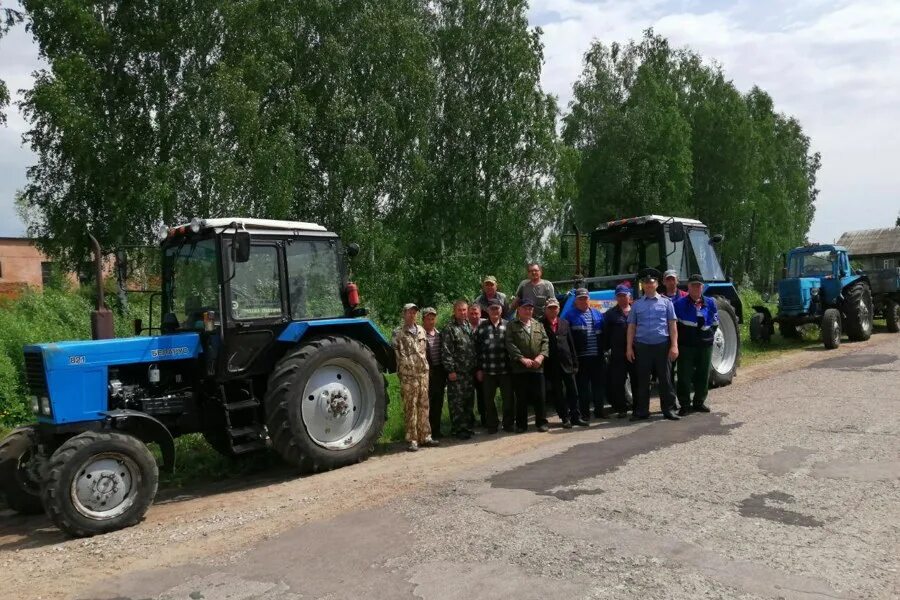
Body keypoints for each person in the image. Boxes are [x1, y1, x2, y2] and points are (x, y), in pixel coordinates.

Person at [626, 269, 679, 421]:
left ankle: (668, 410)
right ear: (642, 286)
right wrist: (629, 347)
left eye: (652, 283)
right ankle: (642, 411)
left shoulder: (666, 303)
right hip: (642, 346)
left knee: (666, 379)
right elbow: (631, 327)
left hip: (662, 346)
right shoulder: (636, 305)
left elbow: (672, 325)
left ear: (657, 284)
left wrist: (674, 345)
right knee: (642, 380)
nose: (649, 285)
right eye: (646, 283)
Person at [392, 303, 438, 451]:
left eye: (414, 312)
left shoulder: (422, 331)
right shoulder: (398, 333)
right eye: (409, 312)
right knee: (410, 407)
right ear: (404, 314)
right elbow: (396, 355)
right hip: (408, 376)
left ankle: (425, 436)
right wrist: (402, 372)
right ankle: (412, 439)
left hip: (422, 374)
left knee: (424, 405)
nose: (412, 315)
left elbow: (425, 352)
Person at [673, 275, 719, 415]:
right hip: (686, 346)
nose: (696, 288)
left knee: (703, 374)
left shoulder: (710, 303)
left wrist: (706, 336)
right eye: (693, 285)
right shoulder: (679, 304)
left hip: (705, 345)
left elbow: (715, 324)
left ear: (702, 287)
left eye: (699, 285)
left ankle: (699, 402)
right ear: (688, 287)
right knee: (684, 375)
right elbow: (675, 326)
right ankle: (685, 404)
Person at [505, 298, 550, 433]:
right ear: (519, 309)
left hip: (537, 366)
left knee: (540, 396)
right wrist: (521, 358)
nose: (528, 310)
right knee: (521, 397)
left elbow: (545, 341)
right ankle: (521, 425)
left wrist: (541, 356)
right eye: (525, 308)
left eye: (530, 308)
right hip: (520, 368)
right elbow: (509, 343)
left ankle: (541, 422)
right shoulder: (512, 325)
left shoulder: (538, 325)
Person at [563, 287, 606, 421]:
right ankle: (585, 413)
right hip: (581, 358)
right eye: (580, 299)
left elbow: (604, 333)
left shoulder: (597, 313)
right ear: (576, 301)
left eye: (585, 298)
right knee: (583, 387)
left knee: (598, 385)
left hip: (597, 356)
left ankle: (599, 411)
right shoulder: (569, 315)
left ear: (589, 299)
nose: (583, 301)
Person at [540, 297, 581, 428]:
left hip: (567, 363)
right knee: (558, 393)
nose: (553, 310)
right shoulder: (540, 324)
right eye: (550, 308)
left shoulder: (565, 323)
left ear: (558, 309)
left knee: (573, 391)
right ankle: (564, 418)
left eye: (555, 308)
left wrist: (575, 362)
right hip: (552, 366)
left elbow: (571, 344)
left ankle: (576, 416)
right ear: (546, 310)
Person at [474, 298, 512, 433]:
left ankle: (508, 424)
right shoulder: (481, 328)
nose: (494, 311)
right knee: (488, 400)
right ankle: (492, 424)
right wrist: (478, 369)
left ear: (501, 310)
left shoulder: (508, 325)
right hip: (488, 370)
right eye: (492, 309)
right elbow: (476, 350)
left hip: (505, 369)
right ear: (488, 311)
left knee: (508, 399)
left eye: (497, 308)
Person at [442, 299, 477, 439]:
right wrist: (450, 370)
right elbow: (446, 351)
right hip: (456, 372)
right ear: (454, 311)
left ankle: (467, 427)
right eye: (459, 310)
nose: (462, 313)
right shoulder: (449, 328)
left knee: (468, 400)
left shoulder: (467, 325)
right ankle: (458, 429)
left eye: (464, 310)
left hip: (469, 372)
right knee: (457, 402)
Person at [603, 284, 635, 419]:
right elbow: (605, 335)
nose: (622, 298)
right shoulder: (610, 314)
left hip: (636, 352)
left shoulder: (636, 311)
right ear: (616, 297)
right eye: (619, 296)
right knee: (618, 382)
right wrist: (606, 350)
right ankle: (621, 408)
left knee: (637, 381)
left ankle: (638, 406)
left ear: (629, 296)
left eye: (624, 295)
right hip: (617, 353)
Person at [422, 307, 446, 438]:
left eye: (433, 319)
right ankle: (427, 431)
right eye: (428, 319)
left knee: (438, 402)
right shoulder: (420, 336)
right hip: (426, 373)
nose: (431, 321)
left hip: (439, 372)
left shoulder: (439, 334)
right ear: (423, 320)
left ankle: (437, 430)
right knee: (427, 403)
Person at [467, 303, 487, 428]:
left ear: (480, 314)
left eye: (476, 313)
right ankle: (470, 420)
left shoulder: (485, 325)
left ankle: (485, 418)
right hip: (467, 367)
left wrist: (480, 368)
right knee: (468, 395)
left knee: (483, 394)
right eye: (472, 313)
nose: (474, 316)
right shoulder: (463, 326)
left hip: (482, 366)